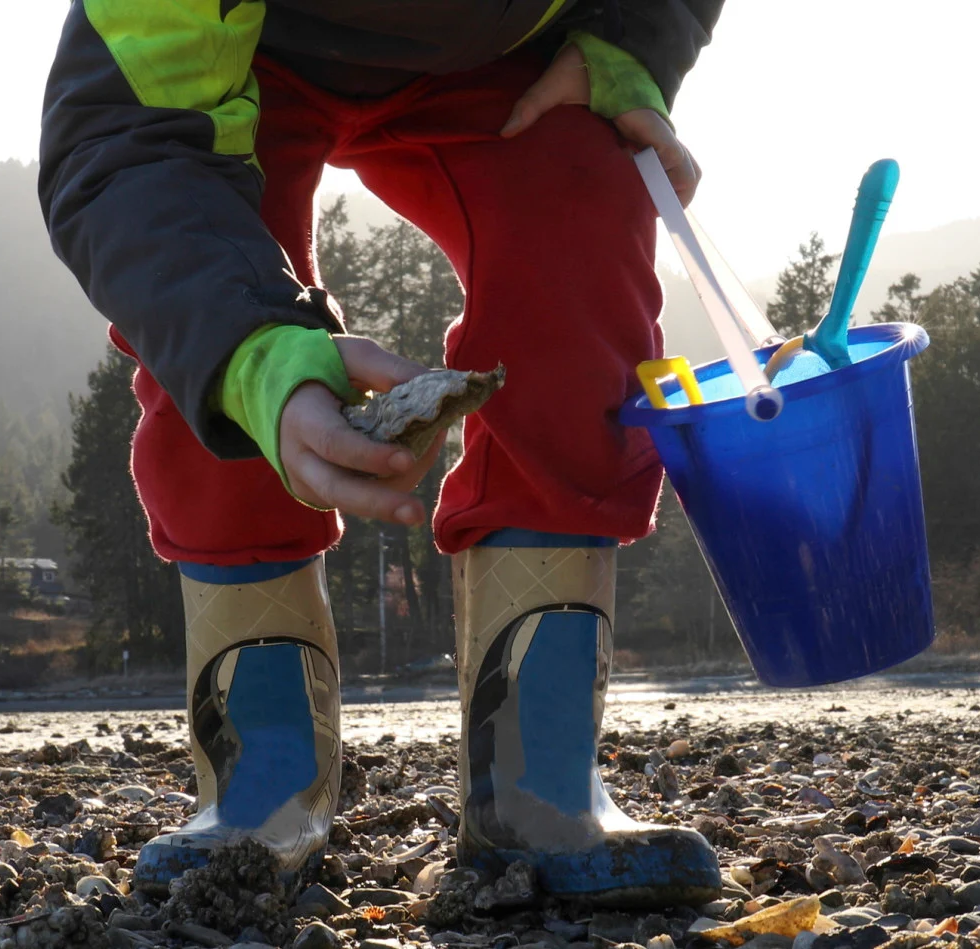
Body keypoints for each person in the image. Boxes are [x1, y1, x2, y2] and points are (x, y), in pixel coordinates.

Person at [40, 0, 726, 905]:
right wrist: (258, 361)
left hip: (511, 51)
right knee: (210, 346)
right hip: (238, 57)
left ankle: (535, 777)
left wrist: (630, 39)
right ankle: (265, 775)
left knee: (580, 224)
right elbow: (126, 154)